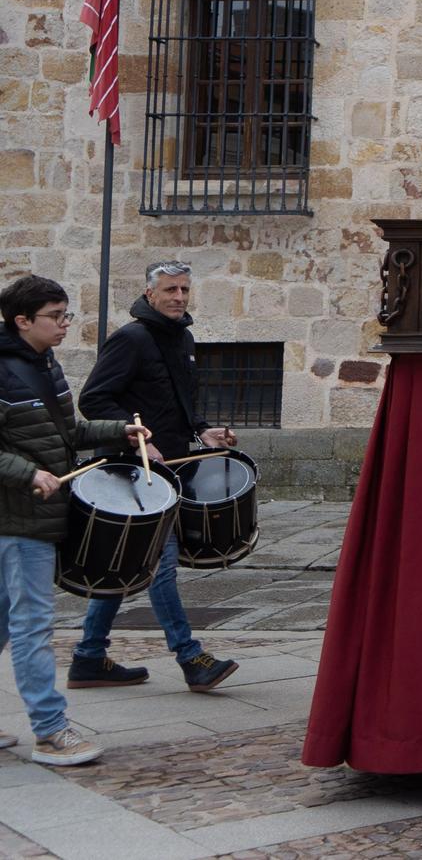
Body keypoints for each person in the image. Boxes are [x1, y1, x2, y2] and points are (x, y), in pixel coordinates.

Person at [0, 274, 153, 765]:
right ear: (22, 321)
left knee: (6, 623)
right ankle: (49, 730)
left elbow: (70, 432)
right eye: (56, 316)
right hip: (18, 520)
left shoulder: (45, 363)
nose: (66, 324)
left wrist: (121, 431)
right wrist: (28, 474)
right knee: (32, 626)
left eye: (66, 314)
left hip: (40, 516)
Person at [68, 261, 241, 693]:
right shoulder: (130, 339)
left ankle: (89, 657)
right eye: (170, 290)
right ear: (150, 294)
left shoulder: (182, 337)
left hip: (169, 469)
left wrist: (204, 429)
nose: (179, 297)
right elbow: (93, 399)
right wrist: (135, 438)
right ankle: (190, 656)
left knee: (125, 562)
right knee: (158, 564)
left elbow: (182, 399)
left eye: (184, 289)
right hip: (131, 472)